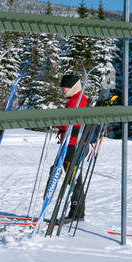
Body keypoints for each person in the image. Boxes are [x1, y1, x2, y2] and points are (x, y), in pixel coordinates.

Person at [54, 72, 91, 223]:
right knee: (74, 177)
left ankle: (76, 212)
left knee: (73, 177)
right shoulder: (75, 99)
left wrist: (56, 121)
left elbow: (72, 122)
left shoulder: (78, 100)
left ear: (74, 87)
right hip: (71, 142)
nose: (63, 90)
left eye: (66, 87)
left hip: (73, 144)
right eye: (62, 88)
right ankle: (77, 211)